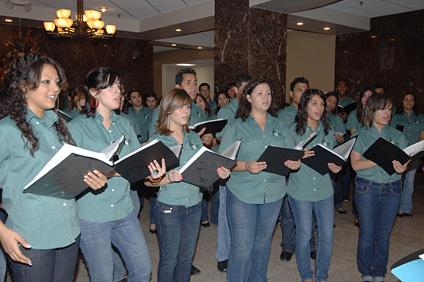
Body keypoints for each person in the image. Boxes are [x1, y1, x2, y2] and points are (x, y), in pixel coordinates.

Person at [0, 54, 107, 282]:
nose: (55, 88)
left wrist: (90, 179)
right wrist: (2, 231)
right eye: (46, 81)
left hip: (68, 230)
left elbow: (66, 176)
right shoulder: (6, 129)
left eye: (57, 82)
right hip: (30, 235)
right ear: (23, 86)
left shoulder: (59, 125)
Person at [68, 67, 165, 282]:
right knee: (103, 276)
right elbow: (69, 174)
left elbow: (134, 167)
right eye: (110, 86)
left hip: (124, 211)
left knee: (143, 271)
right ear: (93, 92)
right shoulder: (77, 128)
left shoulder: (125, 123)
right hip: (92, 215)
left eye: (119, 86)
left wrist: (153, 174)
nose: (118, 91)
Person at [219, 78, 301, 282]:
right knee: (243, 246)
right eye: (260, 93)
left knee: (263, 244)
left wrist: (294, 164)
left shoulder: (279, 125)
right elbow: (222, 163)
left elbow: (292, 154)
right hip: (242, 192)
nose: (266, 97)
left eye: (268, 93)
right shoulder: (236, 126)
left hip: (273, 192)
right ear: (248, 98)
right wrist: (246, 165)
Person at [146, 88, 230, 282]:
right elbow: (147, 182)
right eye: (180, 107)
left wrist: (219, 172)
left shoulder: (193, 137)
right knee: (169, 260)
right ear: (168, 110)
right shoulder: (158, 141)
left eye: (187, 106)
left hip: (194, 205)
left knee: (185, 259)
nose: (186, 111)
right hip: (169, 206)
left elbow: (203, 169)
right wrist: (166, 178)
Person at [350, 93, 409, 282]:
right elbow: (356, 165)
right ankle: (366, 270)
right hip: (367, 188)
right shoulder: (360, 134)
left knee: (383, 235)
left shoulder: (397, 135)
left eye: (390, 109)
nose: (387, 113)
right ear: (371, 110)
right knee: (367, 233)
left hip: (392, 188)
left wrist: (402, 167)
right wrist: (379, 159)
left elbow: (403, 163)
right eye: (383, 108)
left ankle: (380, 271)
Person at [287, 89, 342, 282]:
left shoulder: (327, 131)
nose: (319, 108)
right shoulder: (292, 131)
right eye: (314, 103)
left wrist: (336, 167)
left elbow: (333, 159)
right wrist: (297, 156)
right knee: (304, 235)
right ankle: (306, 276)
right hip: (300, 190)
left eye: (322, 104)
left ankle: (322, 276)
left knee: (326, 236)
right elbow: (284, 160)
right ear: (304, 106)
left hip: (324, 189)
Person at [215, 73, 252, 272]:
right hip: (230, 165)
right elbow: (222, 140)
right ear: (235, 90)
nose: (247, 92)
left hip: (248, 166)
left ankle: (241, 252)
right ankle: (224, 254)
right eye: (244, 88)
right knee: (225, 213)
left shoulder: (253, 111)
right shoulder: (226, 111)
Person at [277, 76, 316, 263]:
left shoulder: (315, 114)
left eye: (306, 90)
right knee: (287, 210)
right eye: (300, 90)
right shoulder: (282, 116)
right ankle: (287, 245)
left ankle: (311, 244)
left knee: (311, 210)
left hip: (311, 167)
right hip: (289, 167)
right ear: (291, 93)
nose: (303, 94)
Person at [390, 93, 424, 218]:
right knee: (398, 181)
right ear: (402, 102)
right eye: (406, 100)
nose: (408, 102)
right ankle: (397, 208)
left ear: (415, 103)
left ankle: (407, 207)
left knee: (409, 182)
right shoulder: (396, 117)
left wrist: (416, 151)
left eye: (411, 100)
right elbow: (392, 136)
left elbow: (422, 136)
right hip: (400, 154)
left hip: (414, 155)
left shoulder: (421, 118)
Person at [325, 91, 347, 214]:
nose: (331, 104)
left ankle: (337, 204)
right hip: (322, 151)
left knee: (332, 180)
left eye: (334, 103)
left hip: (333, 151)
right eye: (329, 101)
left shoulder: (337, 118)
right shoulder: (316, 115)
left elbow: (342, 135)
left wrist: (339, 138)